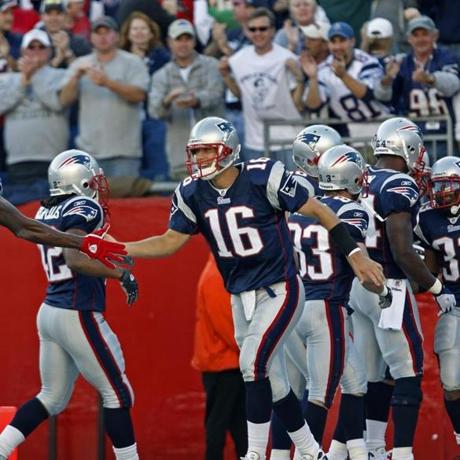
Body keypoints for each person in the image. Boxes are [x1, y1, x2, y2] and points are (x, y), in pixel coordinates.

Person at [122, 116, 385, 460]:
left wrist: (354, 254)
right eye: (196, 151)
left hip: (281, 288)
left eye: (205, 150)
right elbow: (170, 242)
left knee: (251, 366)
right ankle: (311, 451)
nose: (198, 158)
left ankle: (256, 453)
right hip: (240, 296)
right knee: (273, 381)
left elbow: (320, 209)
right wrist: (122, 247)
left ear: (228, 151)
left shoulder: (263, 176)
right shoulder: (191, 191)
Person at [0, 149, 139, 460]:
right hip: (77, 309)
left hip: (50, 310)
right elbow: (74, 257)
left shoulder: (44, 211)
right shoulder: (84, 206)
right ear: (81, 182)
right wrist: (120, 275)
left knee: (50, 397)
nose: (98, 187)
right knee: (118, 392)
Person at [350, 117, 456, 460]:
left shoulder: (361, 176)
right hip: (387, 286)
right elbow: (401, 249)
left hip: (357, 283)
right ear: (407, 148)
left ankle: (374, 449)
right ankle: (403, 452)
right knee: (408, 370)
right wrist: (437, 286)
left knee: (374, 374)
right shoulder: (399, 184)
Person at [59, 15, 150, 178]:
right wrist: (75, 78)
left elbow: (139, 95)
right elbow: (64, 100)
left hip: (125, 152)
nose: (102, 37)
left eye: (107, 32)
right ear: (91, 37)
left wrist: (107, 82)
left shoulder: (133, 62)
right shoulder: (79, 64)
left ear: (116, 36)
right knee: (90, 204)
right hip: (88, 155)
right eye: (97, 32)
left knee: (127, 203)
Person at [219, 7, 303, 167]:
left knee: (291, 189)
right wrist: (225, 76)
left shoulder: (287, 58)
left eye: (263, 28)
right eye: (253, 29)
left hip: (288, 137)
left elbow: (298, 103)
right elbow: (240, 95)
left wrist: (299, 79)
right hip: (255, 139)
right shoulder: (238, 59)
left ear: (272, 30)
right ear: (247, 31)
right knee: (259, 190)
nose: (258, 33)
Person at [415, 156, 460, 448]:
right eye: (439, 185)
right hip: (453, 304)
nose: (443, 192)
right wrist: (430, 283)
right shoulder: (426, 218)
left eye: (450, 185)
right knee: (452, 380)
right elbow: (429, 266)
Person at [149, 18, 225, 181]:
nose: (183, 44)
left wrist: (196, 100)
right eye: (178, 39)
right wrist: (167, 100)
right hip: (181, 158)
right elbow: (154, 110)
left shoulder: (212, 65)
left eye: (188, 39)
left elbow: (216, 94)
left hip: (216, 155)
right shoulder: (161, 75)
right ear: (169, 42)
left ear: (194, 41)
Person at [0, 29, 69, 205]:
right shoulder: (7, 80)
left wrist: (34, 77)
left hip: (53, 159)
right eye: (31, 47)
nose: (36, 51)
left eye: (41, 47)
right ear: (23, 51)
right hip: (18, 160)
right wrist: (23, 81)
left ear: (49, 51)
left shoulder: (61, 76)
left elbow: (57, 104)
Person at [377, 15, 460, 160]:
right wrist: (388, 79)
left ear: (435, 36)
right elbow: (384, 97)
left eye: (425, 34)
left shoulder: (446, 57)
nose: (420, 39)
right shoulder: (402, 63)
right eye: (416, 35)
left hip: (445, 133)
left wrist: (430, 78)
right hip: (413, 137)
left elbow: (454, 84)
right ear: (409, 39)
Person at [0, 178, 126, 270]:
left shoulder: (46, 210)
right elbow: (24, 228)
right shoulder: (78, 207)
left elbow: (24, 228)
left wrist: (83, 243)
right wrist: (83, 243)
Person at [192, 253, 247, 460]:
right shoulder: (218, 277)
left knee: (234, 424)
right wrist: (252, 350)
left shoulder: (218, 273)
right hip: (225, 365)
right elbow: (228, 326)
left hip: (225, 363)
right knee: (223, 425)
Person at [303, 21, 390, 138]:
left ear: (352, 41)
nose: (338, 47)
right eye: (333, 42)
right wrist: (313, 78)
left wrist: (343, 76)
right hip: (354, 135)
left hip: (383, 127)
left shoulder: (367, 61)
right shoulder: (323, 69)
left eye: (342, 41)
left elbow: (368, 94)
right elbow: (313, 106)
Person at [119, 11, 170, 181]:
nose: (139, 32)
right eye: (135, 29)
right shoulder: (118, 59)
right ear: (127, 33)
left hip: (154, 119)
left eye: (143, 28)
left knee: (158, 170)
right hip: (126, 120)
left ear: (151, 33)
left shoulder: (163, 58)